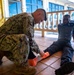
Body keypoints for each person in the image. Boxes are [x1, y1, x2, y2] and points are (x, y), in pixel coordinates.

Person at [0, 9, 47, 75]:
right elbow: (30, 39)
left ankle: (1, 53)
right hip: (2, 39)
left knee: (20, 41)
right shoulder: (29, 18)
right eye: (41, 20)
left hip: (3, 39)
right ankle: (21, 68)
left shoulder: (26, 15)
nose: (39, 22)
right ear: (38, 14)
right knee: (23, 38)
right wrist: (40, 51)